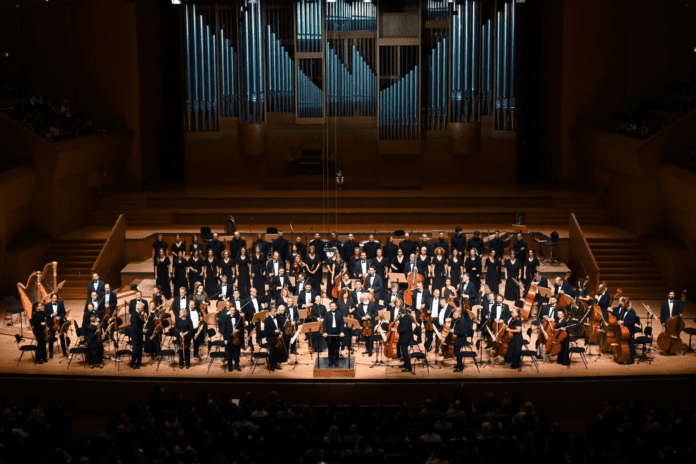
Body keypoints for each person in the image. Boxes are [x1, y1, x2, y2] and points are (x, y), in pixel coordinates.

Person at [222, 302, 244, 371]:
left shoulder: (239, 317)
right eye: (231, 310)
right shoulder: (226, 318)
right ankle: (230, 366)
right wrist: (225, 339)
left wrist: (238, 330)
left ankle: (237, 366)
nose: (233, 311)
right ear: (229, 310)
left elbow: (242, 327)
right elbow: (224, 330)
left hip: (237, 338)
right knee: (229, 353)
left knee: (237, 353)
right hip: (229, 338)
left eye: (234, 310)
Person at [44, 293, 67, 358]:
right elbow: (45, 314)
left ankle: (64, 351)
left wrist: (60, 317)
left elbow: (64, 312)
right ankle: (51, 352)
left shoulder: (60, 304)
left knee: (62, 338)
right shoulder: (47, 305)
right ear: (51, 298)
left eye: (56, 298)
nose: (55, 299)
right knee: (51, 338)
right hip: (52, 324)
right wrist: (51, 315)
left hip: (59, 323)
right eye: (53, 298)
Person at [323, 302, 344, 366]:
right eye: (331, 306)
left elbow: (341, 324)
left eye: (334, 306)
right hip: (329, 332)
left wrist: (342, 332)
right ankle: (330, 361)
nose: (333, 307)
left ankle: (336, 361)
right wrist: (325, 332)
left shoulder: (340, 314)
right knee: (330, 348)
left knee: (336, 347)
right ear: (330, 307)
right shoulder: (326, 314)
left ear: (336, 306)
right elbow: (324, 324)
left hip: (337, 332)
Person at [617, 300, 637, 364]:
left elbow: (631, 322)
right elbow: (621, 317)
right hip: (624, 330)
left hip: (630, 331)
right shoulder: (624, 310)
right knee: (625, 344)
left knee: (630, 345)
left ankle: (632, 359)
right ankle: (624, 356)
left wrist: (623, 322)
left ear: (629, 305)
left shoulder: (632, 312)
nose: (624, 306)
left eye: (626, 305)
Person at [264, 307, 282, 371]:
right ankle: (271, 365)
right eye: (274, 311)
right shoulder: (267, 320)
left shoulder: (278, 317)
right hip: (271, 338)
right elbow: (266, 331)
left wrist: (281, 332)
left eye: (276, 311)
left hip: (277, 338)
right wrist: (274, 331)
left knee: (276, 352)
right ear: (270, 312)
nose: (275, 312)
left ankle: (275, 364)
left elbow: (280, 326)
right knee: (271, 352)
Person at [397, 307, 414, 372]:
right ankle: (405, 364)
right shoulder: (403, 317)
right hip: (404, 337)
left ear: (400, 312)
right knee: (404, 352)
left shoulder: (406, 318)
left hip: (406, 338)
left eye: (399, 312)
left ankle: (408, 367)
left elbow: (404, 329)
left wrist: (396, 330)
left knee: (405, 352)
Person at [130, 302, 146, 369]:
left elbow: (139, 322)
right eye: (142, 308)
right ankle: (132, 363)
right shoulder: (134, 315)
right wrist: (142, 331)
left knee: (140, 349)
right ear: (138, 308)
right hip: (136, 335)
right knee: (136, 350)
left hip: (139, 335)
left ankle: (139, 362)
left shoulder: (138, 314)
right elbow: (134, 328)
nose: (143, 309)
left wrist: (144, 321)